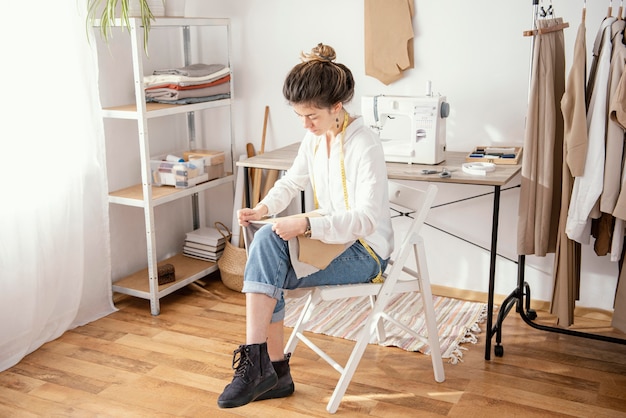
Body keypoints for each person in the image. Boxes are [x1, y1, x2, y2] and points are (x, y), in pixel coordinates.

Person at [217, 43, 394, 409]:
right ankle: (268, 368)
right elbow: (291, 182)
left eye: (311, 116)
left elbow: (366, 219)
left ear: (337, 107)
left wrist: (307, 226)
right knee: (266, 242)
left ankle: (268, 369)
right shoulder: (315, 139)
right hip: (331, 240)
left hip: (366, 250)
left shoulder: (365, 145)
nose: (305, 124)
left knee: (268, 268)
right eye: (299, 116)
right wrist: (262, 207)